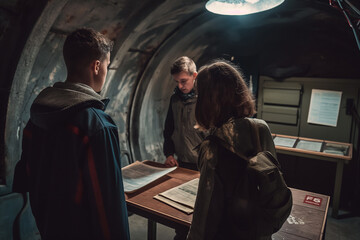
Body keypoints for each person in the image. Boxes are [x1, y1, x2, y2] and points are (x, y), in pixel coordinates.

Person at [13, 28, 130, 240]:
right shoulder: (97, 125)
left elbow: (27, 177)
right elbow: (108, 209)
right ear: (96, 66)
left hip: (49, 228)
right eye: (107, 65)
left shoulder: (37, 116)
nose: (105, 70)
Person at [187, 60, 277, 240]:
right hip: (259, 230)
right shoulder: (260, 128)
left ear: (208, 100)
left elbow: (205, 214)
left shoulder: (212, 146)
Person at [163, 56, 205, 171]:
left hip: (203, 164)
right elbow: (169, 129)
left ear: (194, 76)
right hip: (181, 162)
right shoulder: (175, 100)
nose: (180, 86)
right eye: (177, 82)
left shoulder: (205, 100)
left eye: (183, 81)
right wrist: (169, 154)